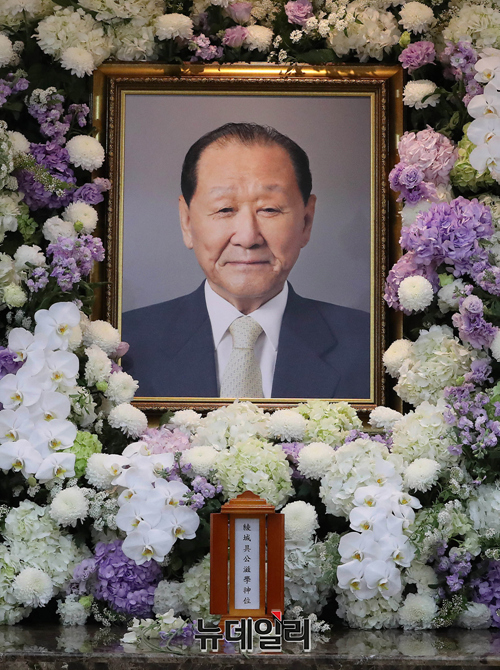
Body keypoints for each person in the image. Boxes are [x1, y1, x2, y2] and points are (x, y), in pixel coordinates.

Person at [121, 122, 370, 399]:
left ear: (306, 221)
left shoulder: (371, 346)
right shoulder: (121, 346)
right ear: (187, 221)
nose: (248, 237)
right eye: (225, 209)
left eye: (270, 209)